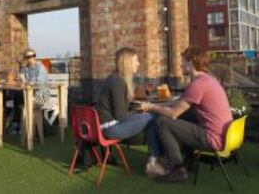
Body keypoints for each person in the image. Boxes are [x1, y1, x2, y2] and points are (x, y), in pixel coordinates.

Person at [139, 46, 233, 183]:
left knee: (163, 122)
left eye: (182, 61)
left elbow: (173, 113)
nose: (180, 64)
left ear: (190, 63)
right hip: (221, 134)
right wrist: (158, 106)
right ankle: (187, 160)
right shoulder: (207, 80)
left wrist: (151, 106)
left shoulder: (198, 84)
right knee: (186, 116)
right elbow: (179, 103)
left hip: (212, 138)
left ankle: (179, 169)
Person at [95, 47, 166, 176]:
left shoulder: (115, 78)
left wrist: (138, 111)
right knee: (152, 116)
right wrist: (141, 111)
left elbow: (120, 110)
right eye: (136, 61)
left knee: (150, 119)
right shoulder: (117, 82)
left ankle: (154, 161)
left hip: (108, 125)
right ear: (127, 63)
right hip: (110, 129)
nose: (138, 63)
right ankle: (153, 162)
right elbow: (121, 116)